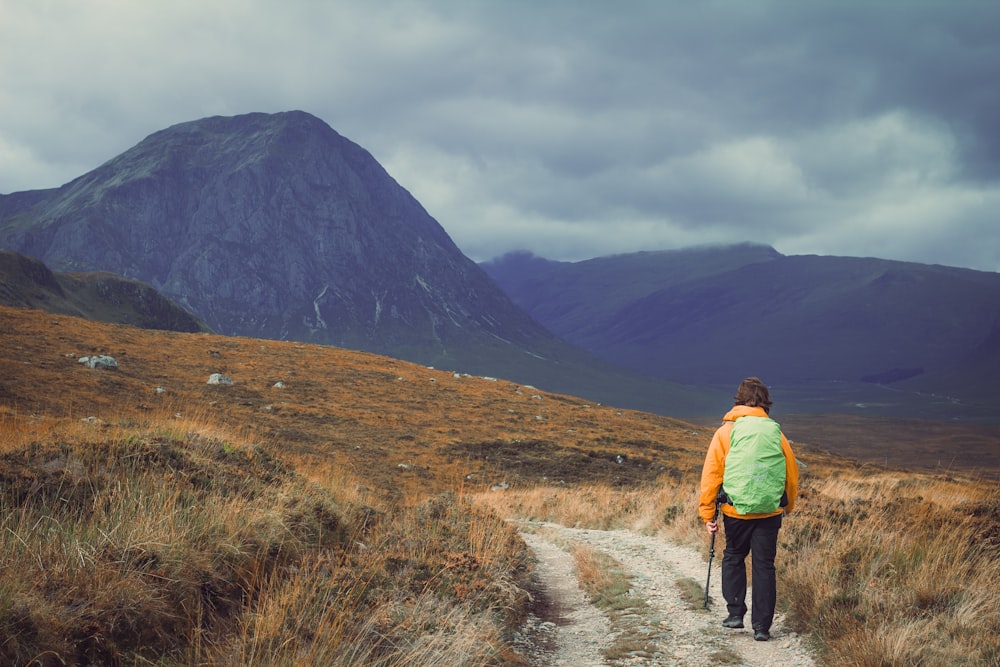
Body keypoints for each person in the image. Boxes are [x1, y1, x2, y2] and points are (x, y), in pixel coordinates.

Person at [699, 376, 799, 642]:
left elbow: (711, 475)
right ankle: (762, 627)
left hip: (736, 511)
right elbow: (791, 474)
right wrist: (788, 506)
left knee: (733, 555)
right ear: (766, 403)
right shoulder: (776, 432)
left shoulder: (725, 433)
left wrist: (708, 514)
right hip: (769, 512)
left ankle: (735, 614)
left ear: (739, 401)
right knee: (764, 566)